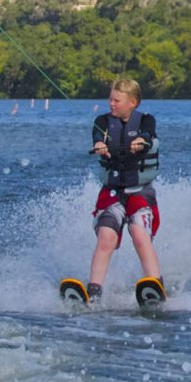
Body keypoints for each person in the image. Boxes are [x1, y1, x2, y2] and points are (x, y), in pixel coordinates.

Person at [78, 77, 162, 304]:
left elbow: (147, 134)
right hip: (112, 192)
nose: (111, 104)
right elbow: (97, 136)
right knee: (106, 237)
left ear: (132, 102)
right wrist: (99, 145)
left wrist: (141, 142)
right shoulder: (102, 121)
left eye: (117, 100)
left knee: (139, 234)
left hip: (140, 192)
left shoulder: (146, 120)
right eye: (110, 99)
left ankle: (155, 283)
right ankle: (94, 291)